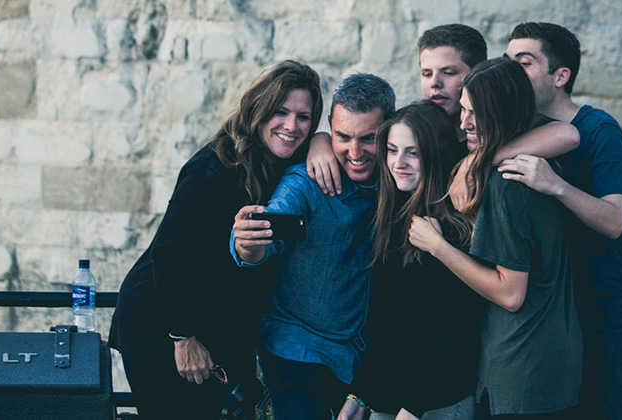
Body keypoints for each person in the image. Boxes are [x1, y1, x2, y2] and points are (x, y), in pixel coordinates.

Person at [108, 60, 324, 419]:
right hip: (162, 325)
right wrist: (183, 337)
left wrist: (321, 141)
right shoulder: (215, 166)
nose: (291, 126)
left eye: (304, 117)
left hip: (216, 327)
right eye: (280, 112)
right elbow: (168, 252)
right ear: (259, 110)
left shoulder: (284, 162)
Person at [500, 22, 622, 420]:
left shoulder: (599, 129)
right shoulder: (520, 133)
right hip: (561, 328)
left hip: (616, 322)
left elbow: (613, 221)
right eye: (508, 62)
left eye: (524, 62)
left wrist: (557, 186)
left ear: (560, 76)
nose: (511, 73)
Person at [410, 58, 583, 419]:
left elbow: (510, 294)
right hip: (545, 361)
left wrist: (437, 246)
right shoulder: (530, 164)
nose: (464, 123)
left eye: (476, 113)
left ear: (503, 113)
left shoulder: (507, 186)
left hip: (520, 368)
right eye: (463, 110)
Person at [230, 73, 395, 420]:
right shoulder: (306, 181)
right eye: (342, 137)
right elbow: (272, 228)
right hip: (297, 348)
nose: (354, 152)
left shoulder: (399, 177)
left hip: (366, 360)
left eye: (368, 139)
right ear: (330, 128)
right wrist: (248, 245)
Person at [308, 24, 579, 201]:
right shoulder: (414, 123)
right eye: (427, 73)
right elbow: (364, 135)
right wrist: (320, 140)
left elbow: (566, 134)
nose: (434, 83)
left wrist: (477, 161)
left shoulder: (494, 127)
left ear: (477, 73)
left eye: (448, 72)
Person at [337, 100, 482, 420]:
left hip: (437, 404)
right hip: (388, 400)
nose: (399, 163)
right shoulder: (390, 215)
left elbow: (458, 329)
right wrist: (358, 394)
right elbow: (387, 321)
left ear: (435, 153)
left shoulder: (455, 227)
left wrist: (413, 408)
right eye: (392, 150)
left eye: (412, 152)